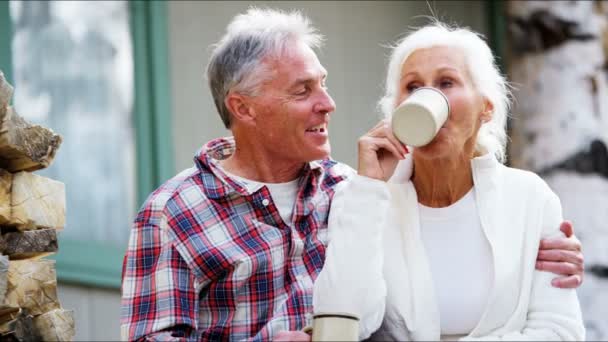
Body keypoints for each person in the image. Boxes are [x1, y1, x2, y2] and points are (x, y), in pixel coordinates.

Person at [121, 9, 584, 341]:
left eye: (323, 83)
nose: (328, 103)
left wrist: (552, 250)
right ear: (243, 108)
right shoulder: (174, 211)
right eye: (304, 90)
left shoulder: (350, 188)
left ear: (486, 108)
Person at [313, 21, 585, 341]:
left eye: (446, 82)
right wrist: (369, 189)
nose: (427, 98)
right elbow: (343, 325)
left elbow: (560, 331)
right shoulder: (360, 197)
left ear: (486, 108)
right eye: (413, 87)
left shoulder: (530, 197)